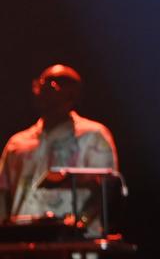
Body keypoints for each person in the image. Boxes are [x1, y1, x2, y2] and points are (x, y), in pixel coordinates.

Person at [0, 64, 119, 236]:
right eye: (39, 84)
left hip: (75, 244)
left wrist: (80, 223)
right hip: (24, 244)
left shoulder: (93, 137)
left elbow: (107, 189)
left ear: (71, 94)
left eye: (51, 85)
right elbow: (2, 195)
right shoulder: (17, 144)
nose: (41, 90)